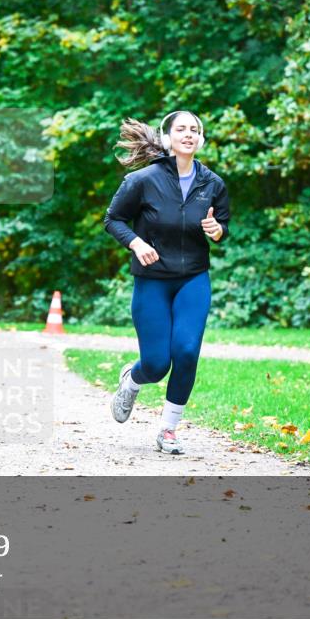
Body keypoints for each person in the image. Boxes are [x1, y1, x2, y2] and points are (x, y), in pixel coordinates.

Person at [103, 111, 230, 455]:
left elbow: (222, 226)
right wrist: (136, 242)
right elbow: (112, 219)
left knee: (187, 352)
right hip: (153, 280)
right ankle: (132, 379)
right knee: (157, 364)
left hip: (193, 278)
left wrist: (218, 231)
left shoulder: (212, 184)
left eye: (194, 130)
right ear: (168, 137)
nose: (188, 134)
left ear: (200, 139)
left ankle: (168, 430)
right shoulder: (143, 180)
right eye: (181, 129)